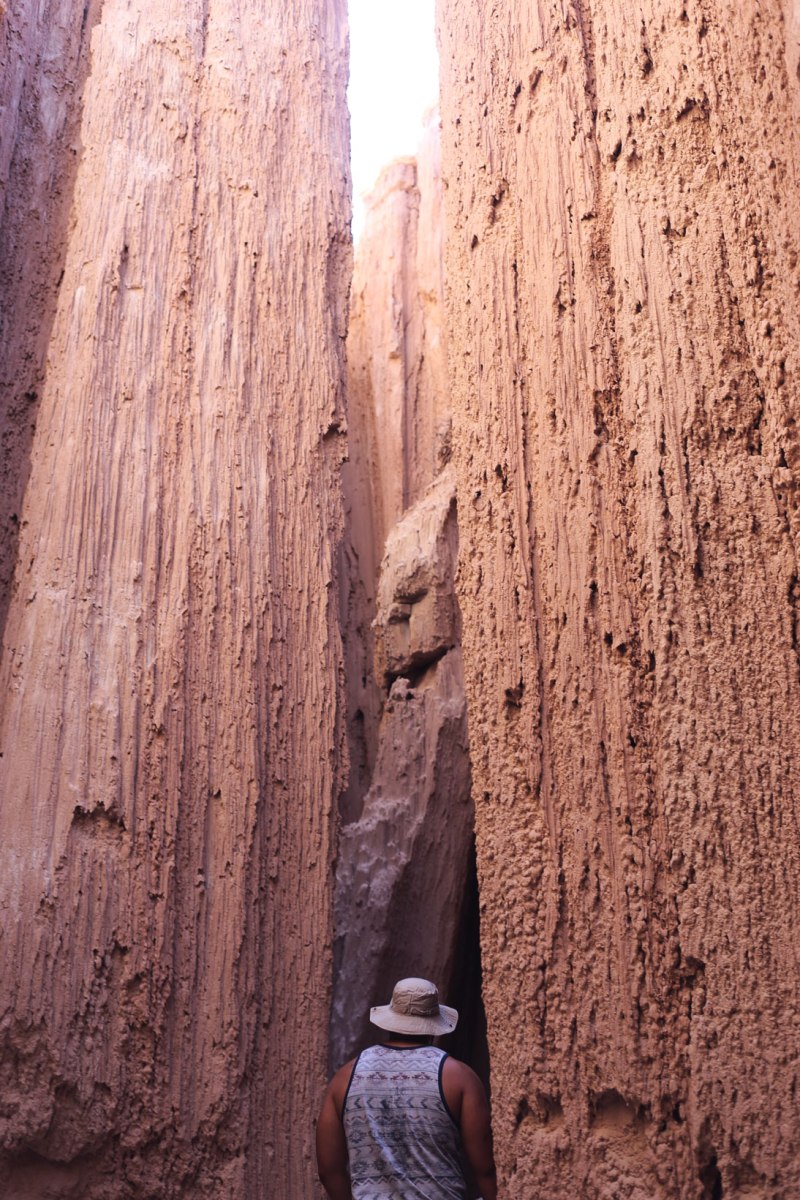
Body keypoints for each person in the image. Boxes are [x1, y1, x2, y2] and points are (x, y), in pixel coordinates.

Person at [316, 977, 497, 1200]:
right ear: (434, 1025)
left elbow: (328, 1169)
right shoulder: (459, 1077)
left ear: (390, 1018)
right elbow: (486, 1169)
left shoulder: (345, 1077)